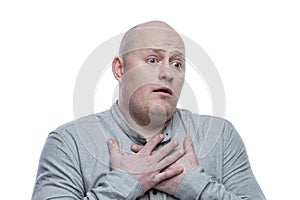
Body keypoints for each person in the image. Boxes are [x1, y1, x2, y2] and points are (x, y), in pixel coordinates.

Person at [32, 21, 266, 199]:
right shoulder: (68, 142)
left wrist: (195, 185)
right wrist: (125, 182)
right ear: (119, 69)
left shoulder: (221, 136)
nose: (168, 73)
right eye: (152, 60)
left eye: (177, 64)